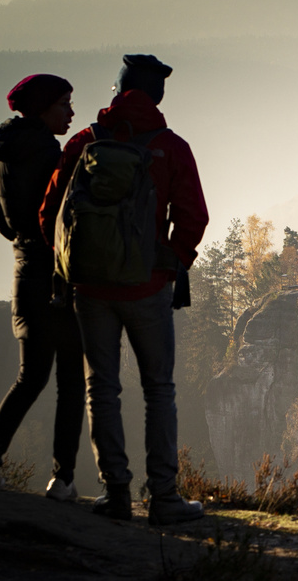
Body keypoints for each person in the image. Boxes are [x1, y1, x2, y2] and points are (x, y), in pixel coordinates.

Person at [39, 54, 210, 526]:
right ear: (157, 97)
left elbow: (50, 213)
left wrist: (71, 266)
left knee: (102, 389)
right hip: (148, 286)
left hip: (91, 289)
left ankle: (116, 494)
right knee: (159, 389)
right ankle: (164, 498)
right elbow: (194, 216)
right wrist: (172, 262)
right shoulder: (171, 147)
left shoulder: (84, 142)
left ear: (116, 92)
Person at [0, 73, 86, 500]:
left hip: (24, 270)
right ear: (42, 108)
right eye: (64, 104)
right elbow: (63, 218)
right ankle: (63, 479)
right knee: (71, 379)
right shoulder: (50, 153)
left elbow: (4, 224)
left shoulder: (1, 151)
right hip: (57, 272)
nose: (71, 113)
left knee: (30, 377)